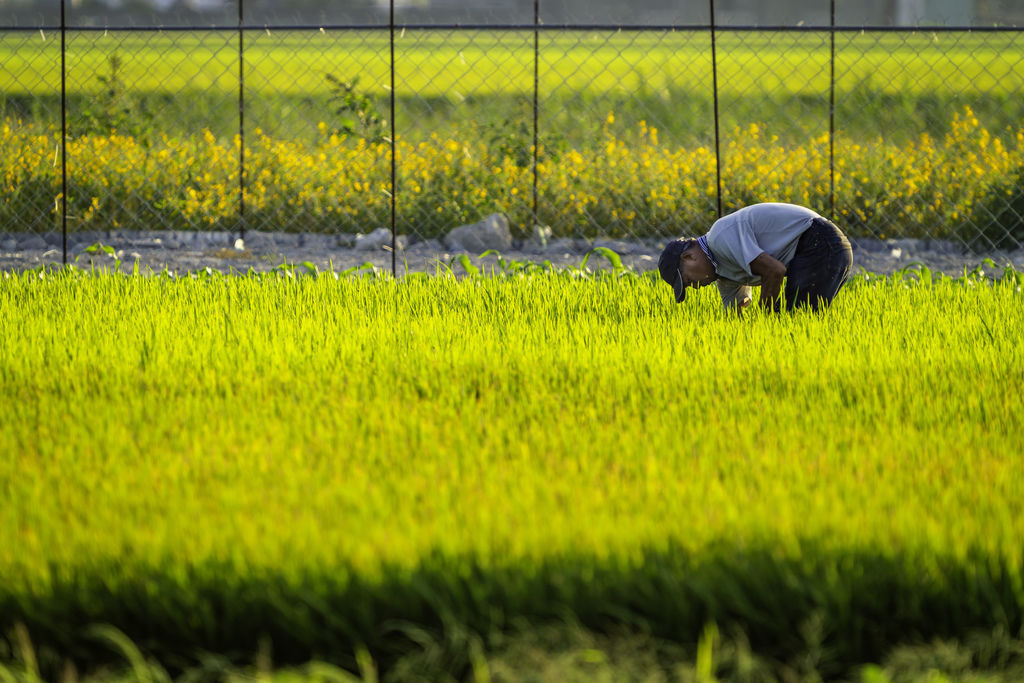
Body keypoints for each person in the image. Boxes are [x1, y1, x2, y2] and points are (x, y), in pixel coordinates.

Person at [657, 202, 853, 313]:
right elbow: (736, 313)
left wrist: (766, 321)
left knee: (798, 321)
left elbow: (774, 271)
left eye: (689, 281)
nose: (696, 287)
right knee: (801, 323)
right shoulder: (724, 273)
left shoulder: (720, 237)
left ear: (689, 256)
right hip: (820, 249)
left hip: (820, 243)